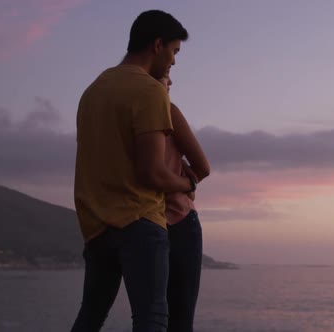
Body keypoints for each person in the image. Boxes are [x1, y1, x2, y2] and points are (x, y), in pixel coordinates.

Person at [71, 10, 195, 332]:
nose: (174, 62)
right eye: (174, 51)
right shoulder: (149, 91)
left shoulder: (92, 91)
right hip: (139, 222)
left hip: (96, 225)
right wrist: (185, 182)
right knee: (152, 318)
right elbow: (152, 173)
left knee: (91, 316)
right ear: (157, 45)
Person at [158, 71, 210, 332]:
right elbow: (202, 168)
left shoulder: (168, 112)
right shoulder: (161, 111)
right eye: (167, 75)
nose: (171, 81)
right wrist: (188, 181)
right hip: (163, 224)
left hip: (170, 223)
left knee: (167, 317)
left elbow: (202, 168)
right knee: (167, 318)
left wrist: (186, 182)